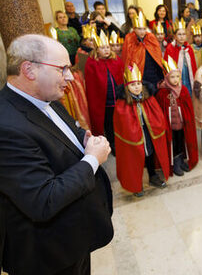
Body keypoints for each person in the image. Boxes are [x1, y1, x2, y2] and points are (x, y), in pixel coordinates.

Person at [0, 34, 113, 274]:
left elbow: (64, 131)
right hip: (50, 255)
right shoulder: (5, 126)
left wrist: (81, 138)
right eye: (63, 69)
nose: (70, 77)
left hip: (74, 239)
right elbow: (43, 199)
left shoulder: (47, 98)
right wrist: (92, 159)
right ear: (29, 70)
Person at [114, 64, 169, 196]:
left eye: (139, 83)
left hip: (147, 133)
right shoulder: (122, 104)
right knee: (136, 158)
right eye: (133, 85)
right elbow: (122, 123)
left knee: (149, 154)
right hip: (133, 138)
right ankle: (136, 184)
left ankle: (153, 175)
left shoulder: (148, 98)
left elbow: (157, 115)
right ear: (127, 87)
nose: (137, 87)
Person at [156, 58, 199, 176]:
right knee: (172, 143)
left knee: (181, 141)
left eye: (177, 77)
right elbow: (160, 111)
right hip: (169, 126)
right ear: (166, 78)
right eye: (172, 77)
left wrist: (187, 119)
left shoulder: (183, 90)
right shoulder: (162, 92)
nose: (175, 80)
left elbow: (188, 107)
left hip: (181, 123)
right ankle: (174, 162)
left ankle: (180, 159)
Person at [85, 31, 124, 152]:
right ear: (96, 49)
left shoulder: (116, 60)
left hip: (117, 99)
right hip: (104, 101)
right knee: (108, 123)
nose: (106, 50)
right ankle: (112, 143)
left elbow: (121, 78)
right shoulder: (92, 63)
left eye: (107, 47)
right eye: (102, 47)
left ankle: (122, 141)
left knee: (119, 122)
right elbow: (92, 86)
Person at [122, 11, 164, 91]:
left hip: (153, 74)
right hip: (140, 76)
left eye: (144, 29)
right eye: (139, 29)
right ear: (134, 29)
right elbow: (127, 59)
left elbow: (157, 56)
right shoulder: (129, 39)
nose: (142, 32)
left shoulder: (151, 37)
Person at [164, 19, 198, 96]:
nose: (182, 37)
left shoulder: (189, 48)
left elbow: (193, 66)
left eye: (184, 34)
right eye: (179, 34)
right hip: (177, 78)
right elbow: (167, 67)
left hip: (188, 78)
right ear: (175, 36)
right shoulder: (170, 48)